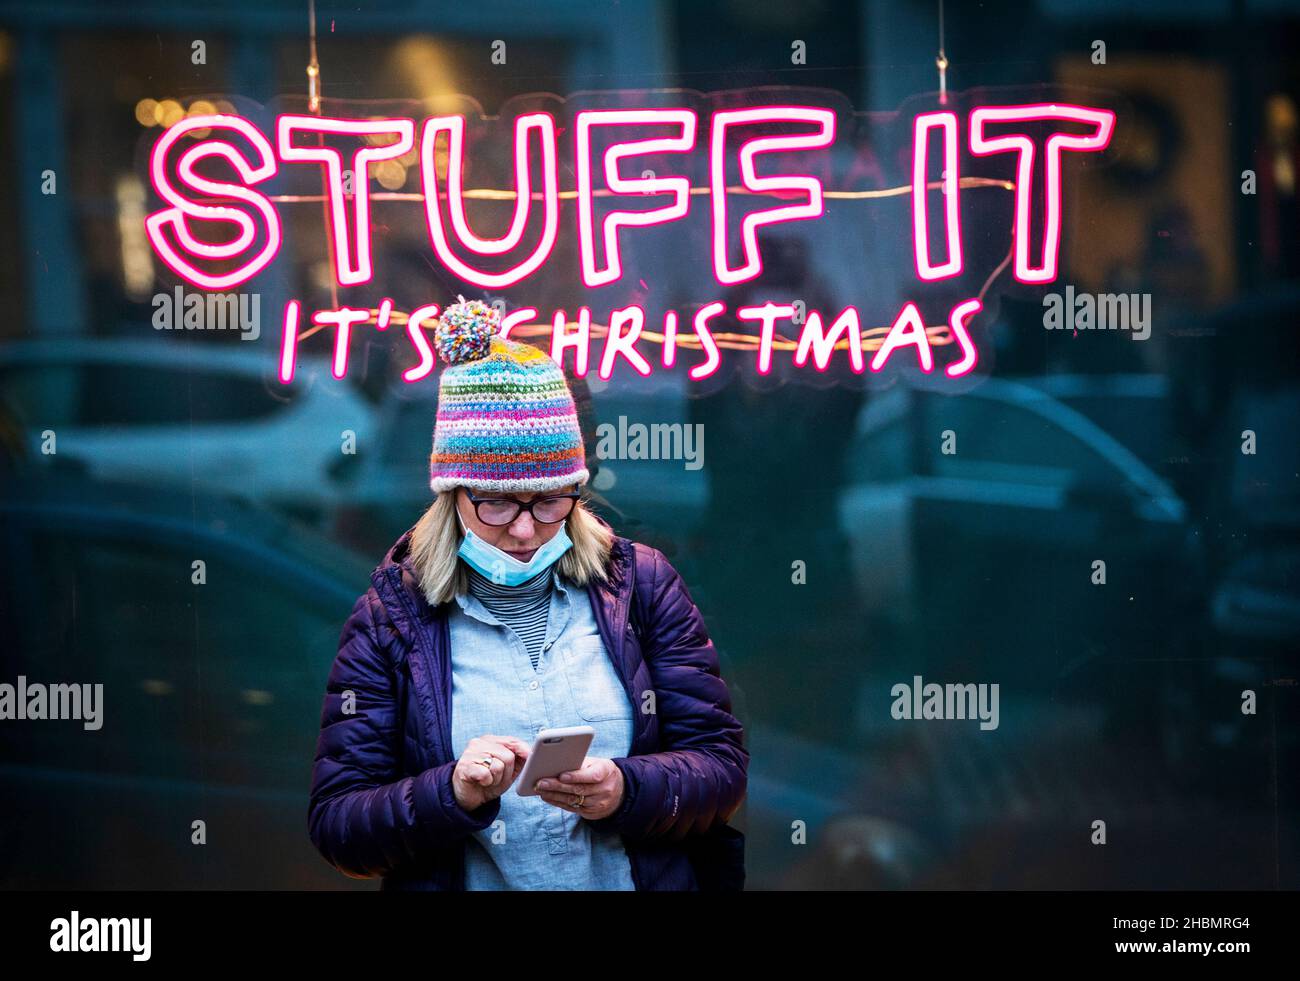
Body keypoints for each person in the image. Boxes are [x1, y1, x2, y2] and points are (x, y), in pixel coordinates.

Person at [307, 297, 748, 890]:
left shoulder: (641, 586)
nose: (523, 529)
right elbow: (339, 824)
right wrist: (452, 792)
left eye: (548, 501)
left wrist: (626, 789)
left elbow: (719, 764)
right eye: (495, 503)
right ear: (452, 496)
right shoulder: (393, 615)